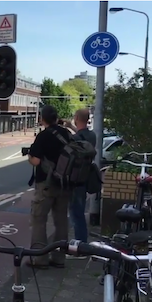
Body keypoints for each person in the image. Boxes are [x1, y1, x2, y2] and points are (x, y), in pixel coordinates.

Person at [26, 105, 73, 269]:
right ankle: (59, 258)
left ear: (42, 118)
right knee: (61, 221)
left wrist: (29, 158)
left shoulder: (44, 136)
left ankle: (39, 259)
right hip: (65, 185)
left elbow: (36, 161)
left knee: (39, 220)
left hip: (46, 185)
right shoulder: (67, 134)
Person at [62, 109, 97, 257]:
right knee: (80, 212)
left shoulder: (75, 139)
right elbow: (81, 134)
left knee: (77, 215)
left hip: (75, 180)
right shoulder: (91, 136)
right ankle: (82, 244)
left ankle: (80, 248)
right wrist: (71, 126)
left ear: (76, 118)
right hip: (85, 179)